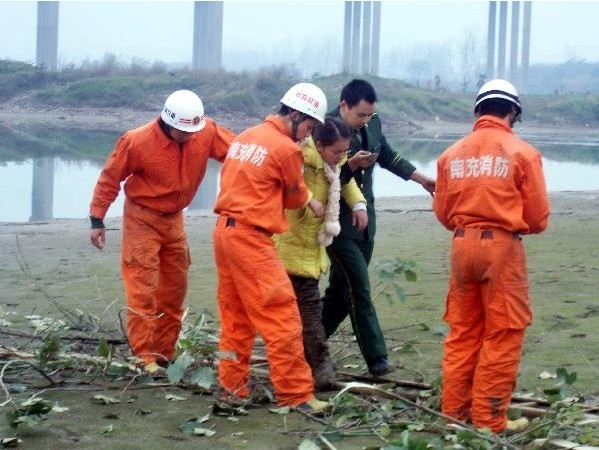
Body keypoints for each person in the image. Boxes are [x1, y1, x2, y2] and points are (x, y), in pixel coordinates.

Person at [433, 79, 550, 433]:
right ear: (512, 112)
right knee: (503, 333)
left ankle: (454, 413)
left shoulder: (450, 155)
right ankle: (488, 418)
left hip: (461, 244)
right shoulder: (523, 153)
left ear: (478, 110)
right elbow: (538, 217)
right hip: (501, 249)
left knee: (463, 332)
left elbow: (442, 212)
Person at [89, 90, 235, 374]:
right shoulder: (137, 141)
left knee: (174, 289)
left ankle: (164, 351)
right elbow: (110, 177)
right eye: (183, 132)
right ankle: (144, 355)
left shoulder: (204, 131)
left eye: (193, 131)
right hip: (142, 218)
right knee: (142, 288)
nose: (189, 137)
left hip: (174, 220)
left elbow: (239, 152)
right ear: (168, 123)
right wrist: (97, 218)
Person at [212, 82, 330, 414]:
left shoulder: (246, 136)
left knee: (235, 319)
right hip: (251, 237)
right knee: (283, 316)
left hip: (224, 232)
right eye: (308, 126)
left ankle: (231, 390)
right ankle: (296, 395)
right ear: (295, 115)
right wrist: (309, 199)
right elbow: (294, 197)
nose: (308, 136)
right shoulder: (285, 149)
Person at [321, 79, 435, 376]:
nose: (365, 121)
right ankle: (378, 360)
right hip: (336, 224)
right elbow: (322, 180)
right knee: (358, 288)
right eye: (360, 115)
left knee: (339, 292)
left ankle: (308, 343)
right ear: (343, 106)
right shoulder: (326, 130)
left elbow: (388, 155)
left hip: (365, 220)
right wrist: (351, 167)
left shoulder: (373, 124)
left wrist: (421, 178)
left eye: (369, 115)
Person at [274, 117, 366, 391]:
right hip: (291, 248)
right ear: (320, 144)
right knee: (307, 315)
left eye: (344, 152)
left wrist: (359, 204)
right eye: (336, 152)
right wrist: (306, 200)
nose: (341, 158)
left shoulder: (333, 166)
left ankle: (304, 367)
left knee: (300, 315)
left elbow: (345, 183)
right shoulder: (300, 158)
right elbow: (285, 184)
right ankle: (320, 371)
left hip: (312, 249)